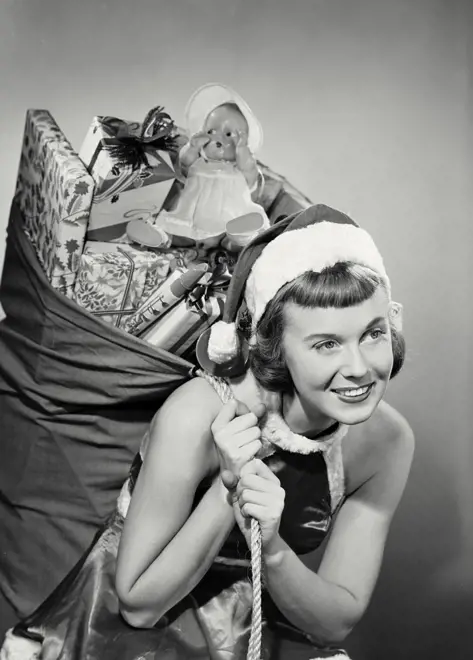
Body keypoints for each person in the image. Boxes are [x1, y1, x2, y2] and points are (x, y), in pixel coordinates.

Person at [0, 204, 414, 660]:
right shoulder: (199, 413)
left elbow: (336, 618)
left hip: (254, 623)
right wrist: (229, 488)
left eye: (373, 334)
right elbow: (138, 605)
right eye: (326, 344)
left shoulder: (386, 443)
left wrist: (271, 547)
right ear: (274, 348)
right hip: (137, 629)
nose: (358, 369)